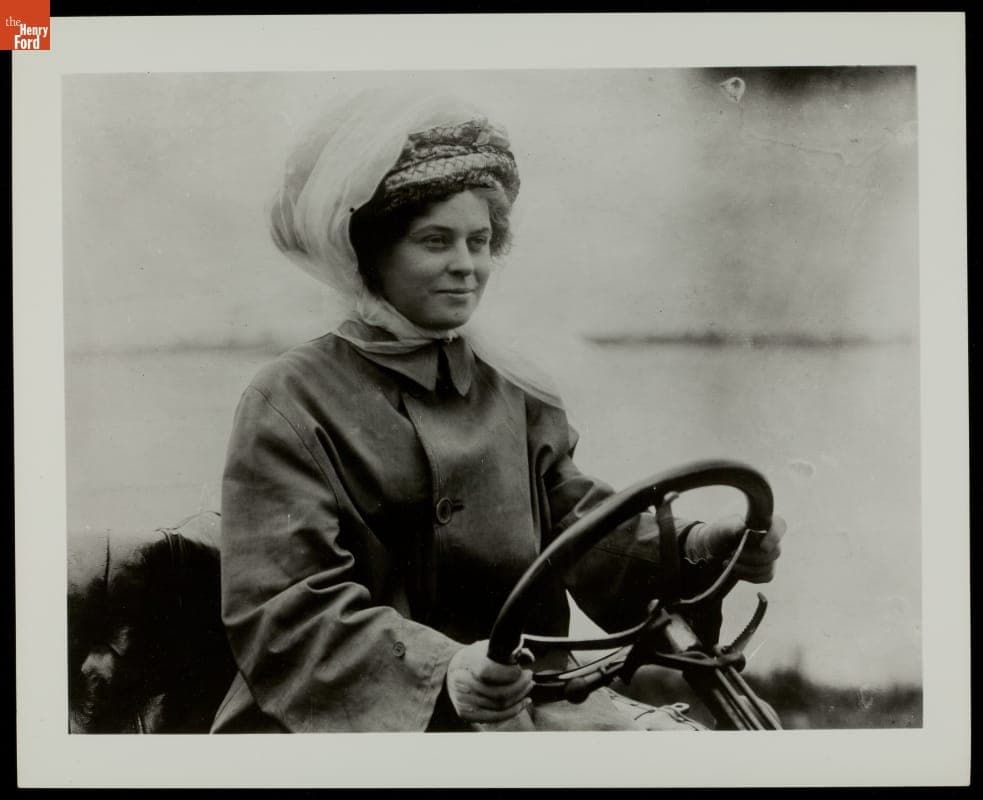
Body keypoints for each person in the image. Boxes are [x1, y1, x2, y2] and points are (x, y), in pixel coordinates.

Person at [212, 89, 785, 733]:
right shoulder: (289, 398)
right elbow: (285, 607)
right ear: (370, 253)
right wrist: (445, 671)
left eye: (480, 241)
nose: (467, 266)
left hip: (528, 699)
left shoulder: (513, 387)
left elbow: (585, 531)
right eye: (435, 241)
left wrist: (703, 547)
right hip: (357, 721)